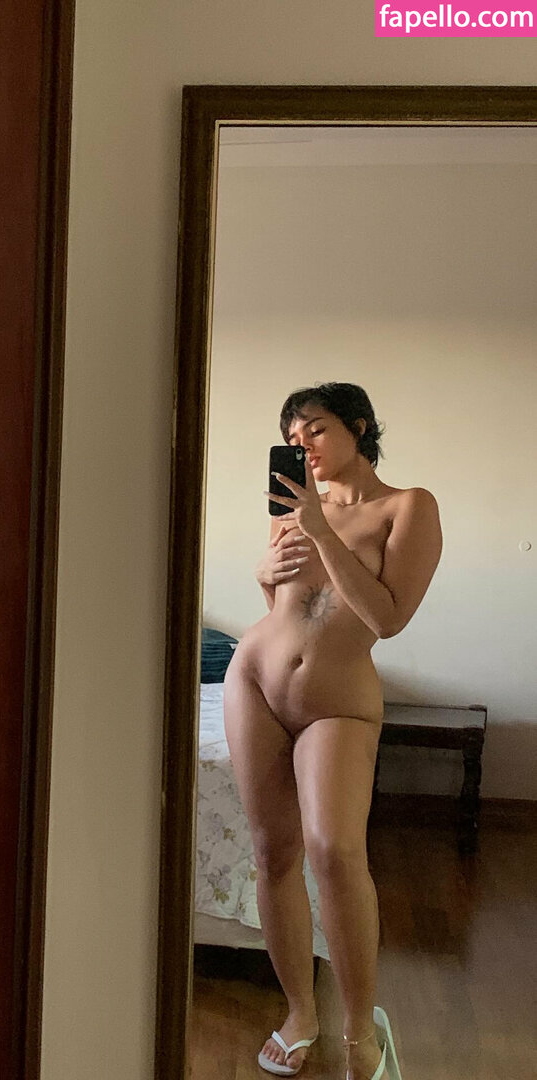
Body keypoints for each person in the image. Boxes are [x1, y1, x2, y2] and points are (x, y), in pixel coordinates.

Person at [223, 382, 442, 1080]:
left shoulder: (407, 507)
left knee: (336, 851)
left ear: (360, 426)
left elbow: (386, 617)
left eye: (315, 429)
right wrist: (264, 570)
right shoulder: (290, 505)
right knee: (272, 851)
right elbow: (286, 603)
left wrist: (320, 529)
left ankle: (358, 1030)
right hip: (255, 680)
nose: (304, 446)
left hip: (337, 700)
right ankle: (299, 1014)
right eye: (293, 437)